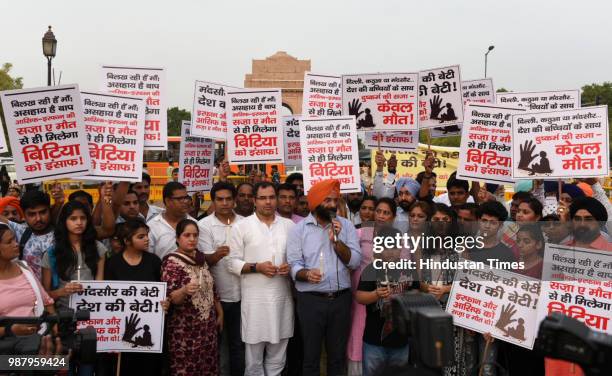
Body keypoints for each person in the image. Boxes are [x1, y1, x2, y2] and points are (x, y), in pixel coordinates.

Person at [287, 179, 361, 376]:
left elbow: (354, 262)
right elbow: (293, 265)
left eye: (335, 200)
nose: (332, 205)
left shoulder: (346, 226)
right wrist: (305, 274)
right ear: (315, 201)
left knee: (336, 358)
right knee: (310, 357)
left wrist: (337, 241)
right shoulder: (298, 230)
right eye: (327, 200)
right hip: (310, 301)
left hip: (340, 300)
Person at [228, 182, 295, 376]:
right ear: (255, 201)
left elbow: (296, 260)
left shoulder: (289, 225)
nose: (268, 202)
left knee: (278, 358)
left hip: (282, 301)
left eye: (272, 197)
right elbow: (231, 264)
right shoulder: (242, 227)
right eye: (263, 198)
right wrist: (258, 267)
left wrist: (289, 267)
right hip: (255, 304)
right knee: (253, 362)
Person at [163, 219, 223, 376]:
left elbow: (212, 289)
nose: (192, 239)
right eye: (187, 235)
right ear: (177, 238)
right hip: (185, 329)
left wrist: (220, 313)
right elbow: (171, 298)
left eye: (195, 235)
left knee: (207, 365)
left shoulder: (200, 259)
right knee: (186, 368)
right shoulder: (172, 263)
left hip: (207, 327)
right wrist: (184, 290)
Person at [356, 228, 419, 376]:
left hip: (401, 341)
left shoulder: (408, 268)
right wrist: (375, 294)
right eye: (386, 246)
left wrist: (408, 298)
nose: (391, 251)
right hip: (374, 341)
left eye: (395, 246)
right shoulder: (372, 269)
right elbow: (359, 296)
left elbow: (418, 292)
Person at [104, 220, 164, 376]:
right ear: (127, 241)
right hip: (120, 332)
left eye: (147, 235)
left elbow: (162, 291)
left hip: (150, 331)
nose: (146, 239)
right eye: (140, 236)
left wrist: (165, 302)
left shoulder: (154, 261)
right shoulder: (112, 264)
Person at [198, 182, 245, 376]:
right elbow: (204, 260)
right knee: (217, 346)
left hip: (244, 294)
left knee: (240, 344)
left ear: (234, 200)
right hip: (217, 297)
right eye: (220, 199)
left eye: (228, 199)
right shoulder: (204, 225)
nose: (224, 203)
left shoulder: (246, 222)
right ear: (213, 201)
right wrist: (218, 255)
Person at [41, 201, 107, 310]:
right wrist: (61, 292)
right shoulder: (51, 253)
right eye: (73, 218)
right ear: (64, 221)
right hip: (63, 312)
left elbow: (100, 283)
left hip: (92, 310)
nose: (79, 222)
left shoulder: (98, 248)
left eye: (83, 218)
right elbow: (45, 296)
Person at [0, 223, 55, 338]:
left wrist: (52, 331)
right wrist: (9, 330)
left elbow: (47, 302)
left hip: (38, 341)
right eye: (9, 242)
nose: (16, 244)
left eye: (15, 239)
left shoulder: (24, 268)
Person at [4, 190, 56, 280]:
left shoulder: (62, 234)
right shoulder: (21, 231)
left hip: (57, 292)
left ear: (50, 210)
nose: (38, 218)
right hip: (29, 292)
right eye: (32, 214)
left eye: (43, 212)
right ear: (24, 215)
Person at [148, 182, 195, 259]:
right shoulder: (152, 226)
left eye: (186, 197)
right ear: (167, 201)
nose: (185, 201)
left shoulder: (196, 224)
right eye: (180, 199)